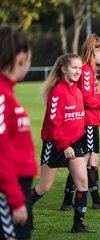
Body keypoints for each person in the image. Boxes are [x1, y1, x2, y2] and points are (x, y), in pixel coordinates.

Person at [30, 53, 96, 233]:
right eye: (74, 68)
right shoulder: (57, 92)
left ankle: (78, 225)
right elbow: (54, 124)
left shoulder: (77, 91)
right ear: (64, 69)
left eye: (80, 68)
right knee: (44, 187)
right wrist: (64, 145)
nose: (78, 71)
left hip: (74, 144)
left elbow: (78, 118)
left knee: (82, 183)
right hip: (56, 144)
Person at [60, 33, 100, 210]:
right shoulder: (84, 71)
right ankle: (69, 201)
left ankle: (92, 200)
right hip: (87, 123)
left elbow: (92, 95)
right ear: (94, 51)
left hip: (92, 121)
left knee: (90, 162)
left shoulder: (88, 71)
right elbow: (84, 98)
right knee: (84, 162)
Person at [0, 27, 38, 240]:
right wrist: (15, 200)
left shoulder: (7, 92)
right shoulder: (2, 95)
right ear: (22, 58)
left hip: (16, 187)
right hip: (9, 190)